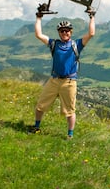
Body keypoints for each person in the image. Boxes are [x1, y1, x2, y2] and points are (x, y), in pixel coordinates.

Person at [30, 9, 95, 139]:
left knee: (70, 111)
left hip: (69, 82)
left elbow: (91, 34)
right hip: (54, 81)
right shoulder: (54, 44)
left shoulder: (76, 44)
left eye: (67, 31)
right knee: (40, 106)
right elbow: (38, 34)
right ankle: (36, 127)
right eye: (62, 31)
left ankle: (70, 135)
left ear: (71, 32)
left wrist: (92, 17)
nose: (64, 32)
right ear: (59, 33)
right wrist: (38, 17)